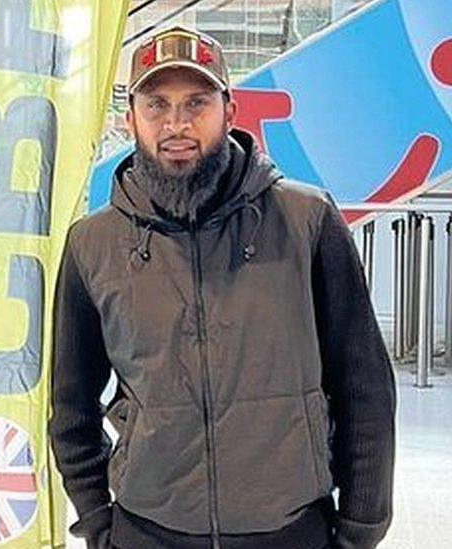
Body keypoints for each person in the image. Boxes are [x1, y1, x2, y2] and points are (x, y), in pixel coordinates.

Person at [49, 27, 395, 549]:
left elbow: (364, 387)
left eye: (197, 102)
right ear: (131, 119)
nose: (177, 124)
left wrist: (361, 527)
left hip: (290, 530)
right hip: (149, 531)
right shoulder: (94, 244)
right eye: (157, 104)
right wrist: (101, 521)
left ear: (230, 112)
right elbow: (71, 406)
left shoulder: (306, 222)